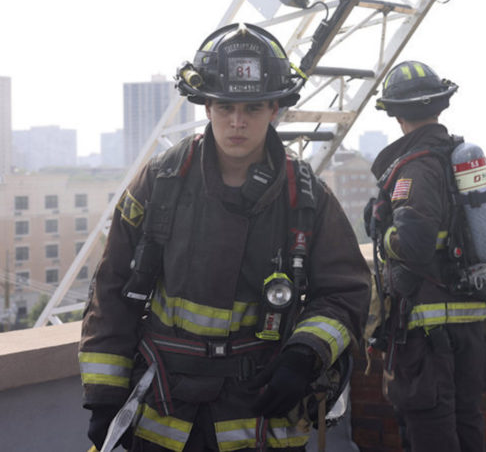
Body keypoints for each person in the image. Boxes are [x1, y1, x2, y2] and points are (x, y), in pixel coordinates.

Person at [79, 23, 372, 451]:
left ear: (274, 110)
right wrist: (104, 397)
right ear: (207, 107)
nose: (237, 121)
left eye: (252, 108)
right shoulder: (161, 182)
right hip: (163, 412)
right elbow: (111, 289)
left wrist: (302, 355)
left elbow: (345, 292)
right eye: (225, 106)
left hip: (258, 412)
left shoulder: (305, 198)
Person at [366, 61, 486, 452]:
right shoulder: (466, 160)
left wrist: (383, 230)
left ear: (394, 113)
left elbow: (411, 245)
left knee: (430, 432)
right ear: (441, 106)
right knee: (467, 426)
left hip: (427, 340)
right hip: (471, 330)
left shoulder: (414, 169)